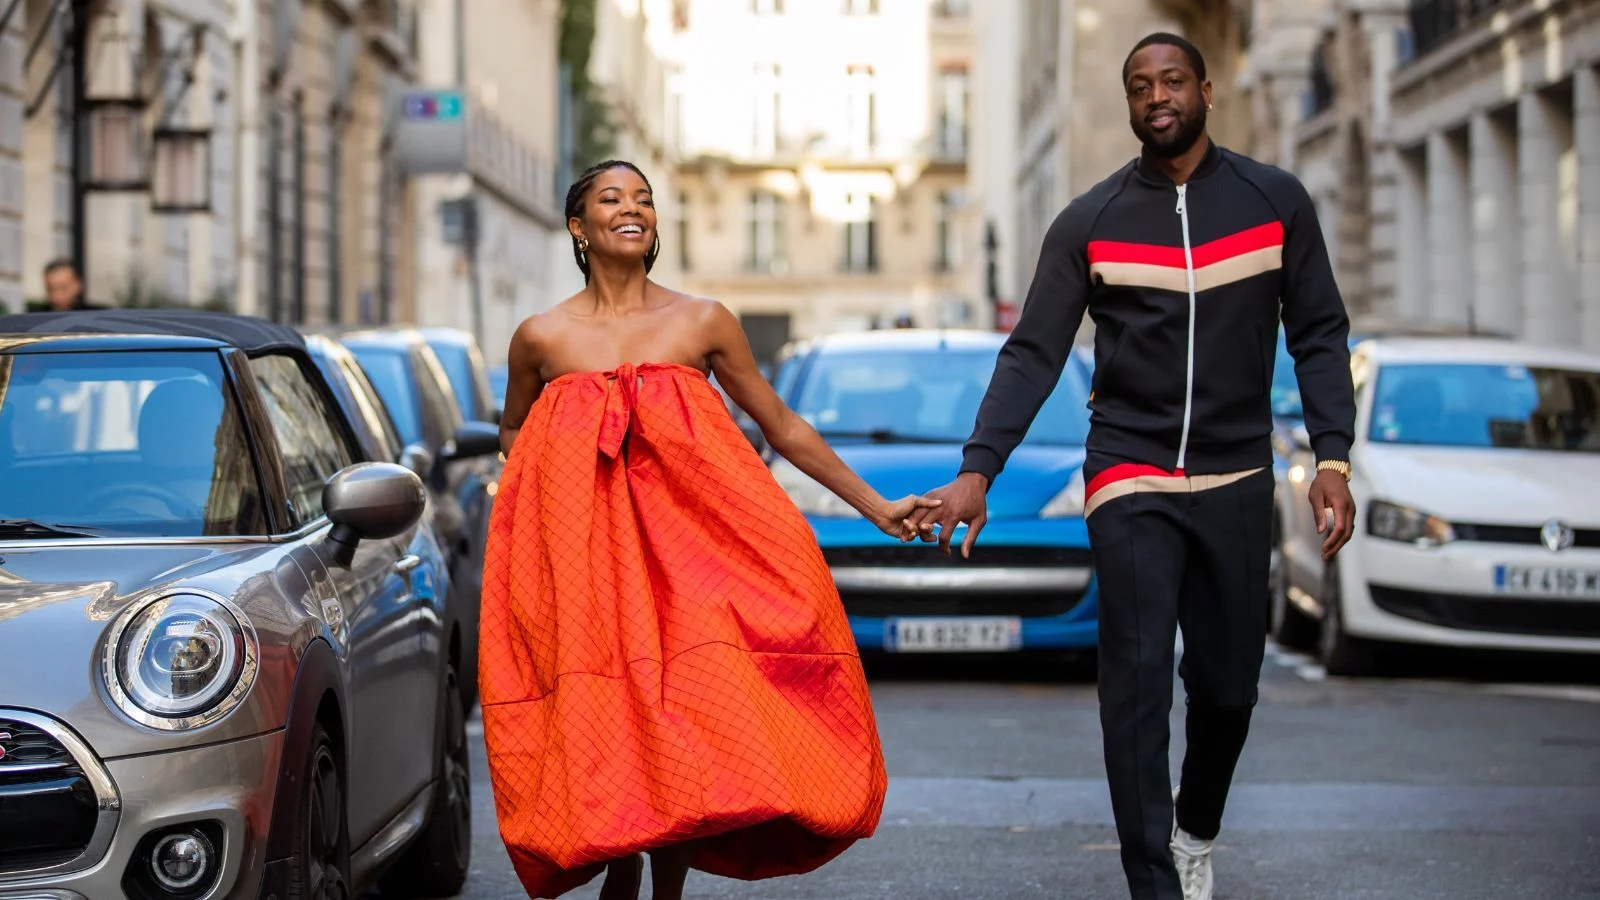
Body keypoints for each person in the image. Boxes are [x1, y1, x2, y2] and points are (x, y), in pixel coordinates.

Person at [905, 33, 1358, 900]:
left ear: (1206, 91)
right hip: (1129, 474)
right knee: (1138, 683)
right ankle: (1153, 882)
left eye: (1173, 81)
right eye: (1141, 85)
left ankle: (1195, 828)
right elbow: (1033, 353)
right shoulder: (1092, 220)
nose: (1158, 96)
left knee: (1228, 690)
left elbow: (1319, 332)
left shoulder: (1276, 203)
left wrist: (1332, 454)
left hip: (1234, 477)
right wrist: (978, 468)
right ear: (1129, 104)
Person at [481, 159, 939, 900]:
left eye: (644, 200)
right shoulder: (540, 338)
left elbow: (783, 426)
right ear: (578, 226)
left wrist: (875, 505)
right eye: (612, 199)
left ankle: (663, 889)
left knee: (692, 709)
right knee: (607, 704)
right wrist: (552, 520)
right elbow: (516, 434)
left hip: (692, 557)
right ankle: (620, 863)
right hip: (590, 564)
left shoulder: (702, 321)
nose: (633, 209)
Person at [30, 260, 98, 312]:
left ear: (78, 285)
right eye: (50, 289)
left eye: (63, 288)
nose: (56, 296)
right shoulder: (34, 317)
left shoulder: (97, 315)